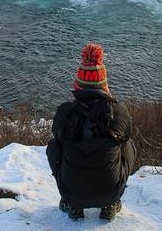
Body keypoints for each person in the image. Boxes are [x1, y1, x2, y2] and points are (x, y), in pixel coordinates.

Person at [46, 43, 137, 221]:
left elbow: (57, 139)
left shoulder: (66, 111)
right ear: (104, 84)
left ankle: (73, 205)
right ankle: (110, 205)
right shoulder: (118, 112)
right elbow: (126, 137)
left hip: (71, 191)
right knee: (127, 144)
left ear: (78, 83)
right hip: (111, 191)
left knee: (54, 145)